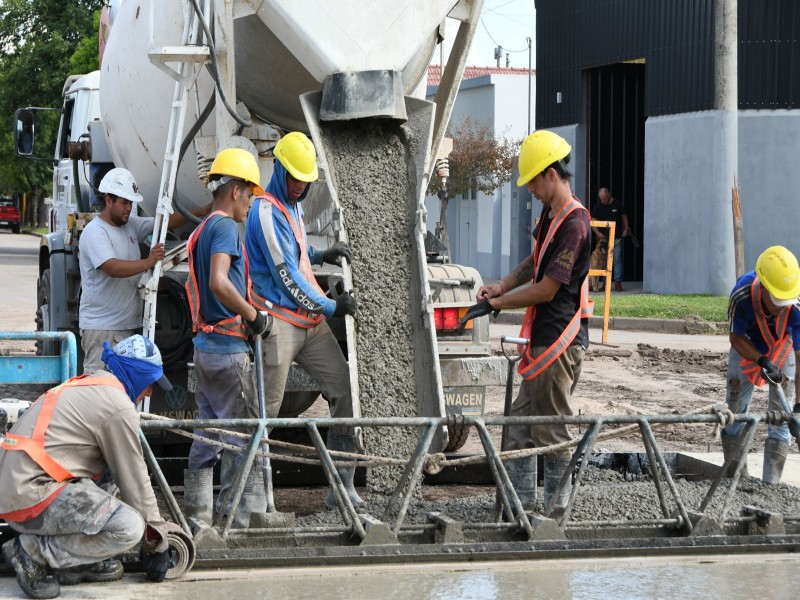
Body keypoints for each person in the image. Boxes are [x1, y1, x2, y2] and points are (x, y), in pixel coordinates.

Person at [459, 130, 591, 516]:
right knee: (519, 426)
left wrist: (499, 302)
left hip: (560, 341)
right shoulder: (553, 214)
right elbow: (536, 261)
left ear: (551, 174)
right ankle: (521, 508)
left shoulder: (576, 226)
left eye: (532, 180)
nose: (530, 189)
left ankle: (555, 514)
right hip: (542, 339)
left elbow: (548, 288)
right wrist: (501, 284)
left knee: (551, 429)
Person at [0, 335, 181, 599]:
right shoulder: (117, 406)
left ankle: (78, 563)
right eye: (150, 383)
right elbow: (136, 481)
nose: (151, 392)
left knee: (107, 474)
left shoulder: (94, 385)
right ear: (138, 377)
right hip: (30, 496)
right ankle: (31, 550)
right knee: (129, 527)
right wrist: (157, 539)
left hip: (21, 487)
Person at [244, 131, 361, 509]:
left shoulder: (292, 206)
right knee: (265, 412)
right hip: (278, 321)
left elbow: (296, 248)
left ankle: (342, 490)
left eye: (306, 181)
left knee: (344, 390)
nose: (300, 187)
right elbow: (287, 276)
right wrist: (331, 308)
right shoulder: (263, 210)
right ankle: (252, 500)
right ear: (278, 169)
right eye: (295, 178)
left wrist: (321, 252)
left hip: (307, 322)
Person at [184, 147, 272, 529]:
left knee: (208, 431)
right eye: (250, 193)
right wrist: (255, 318)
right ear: (235, 190)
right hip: (227, 347)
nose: (251, 202)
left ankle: (199, 516)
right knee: (244, 434)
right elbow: (219, 283)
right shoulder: (222, 227)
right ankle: (243, 518)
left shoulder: (202, 229)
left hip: (205, 348)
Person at [78, 167, 208, 373]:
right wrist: (148, 262)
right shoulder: (95, 232)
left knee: (123, 389)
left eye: (130, 203)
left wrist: (198, 212)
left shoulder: (129, 225)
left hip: (126, 326)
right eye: (124, 202)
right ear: (108, 200)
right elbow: (112, 266)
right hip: (103, 330)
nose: (128, 208)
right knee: (100, 389)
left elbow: (162, 223)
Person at [721, 245, 800, 485]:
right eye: (778, 301)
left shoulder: (795, 302)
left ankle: (771, 485)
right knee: (735, 409)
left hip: (782, 345)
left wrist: (799, 406)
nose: (782, 306)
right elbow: (735, 337)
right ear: (764, 288)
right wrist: (762, 360)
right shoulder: (741, 295)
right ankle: (735, 479)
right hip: (746, 346)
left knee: (782, 415)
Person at [590, 187, 630, 291]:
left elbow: (624, 216)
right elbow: (592, 221)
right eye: (601, 199)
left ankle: (617, 283)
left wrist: (626, 228)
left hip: (616, 238)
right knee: (604, 261)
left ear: (609, 195)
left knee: (616, 259)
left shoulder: (617, 204)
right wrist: (598, 233)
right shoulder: (598, 206)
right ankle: (605, 283)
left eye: (604, 199)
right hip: (602, 240)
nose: (603, 201)